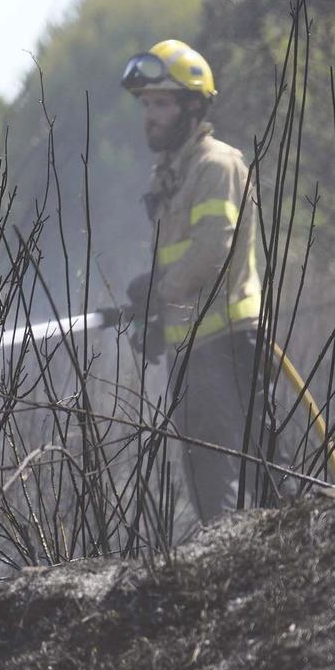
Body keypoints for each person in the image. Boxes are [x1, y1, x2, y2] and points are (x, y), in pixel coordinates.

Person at [121, 38, 274, 523]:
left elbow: (212, 251)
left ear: (192, 105)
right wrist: (156, 320)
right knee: (210, 485)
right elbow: (181, 262)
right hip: (193, 349)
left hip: (227, 346)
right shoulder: (172, 175)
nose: (150, 115)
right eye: (146, 105)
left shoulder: (215, 166)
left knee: (249, 485)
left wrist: (158, 293)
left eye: (161, 104)